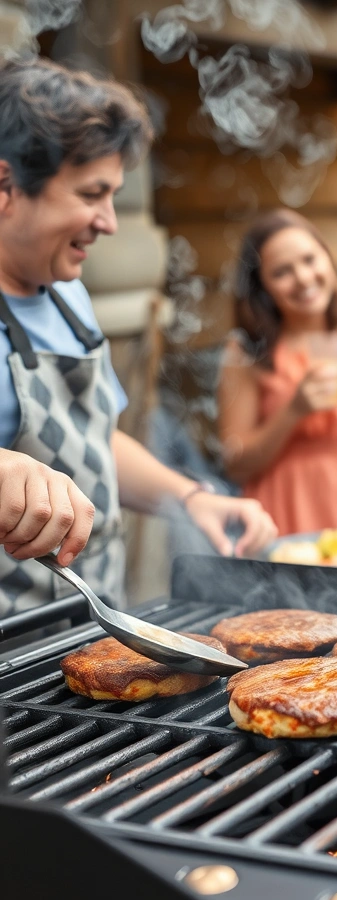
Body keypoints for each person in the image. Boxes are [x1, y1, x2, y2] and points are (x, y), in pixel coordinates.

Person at [0, 55, 276, 617]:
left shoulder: (68, 295)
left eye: (113, 195)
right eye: (90, 194)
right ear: (5, 185)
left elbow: (95, 441)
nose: (109, 221)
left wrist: (190, 497)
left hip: (90, 625)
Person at [218, 209, 337, 535]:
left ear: (327, 258)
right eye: (281, 272)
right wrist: (293, 411)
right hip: (286, 501)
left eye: (309, 260)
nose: (303, 278)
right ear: (262, 287)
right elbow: (234, 463)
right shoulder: (245, 351)